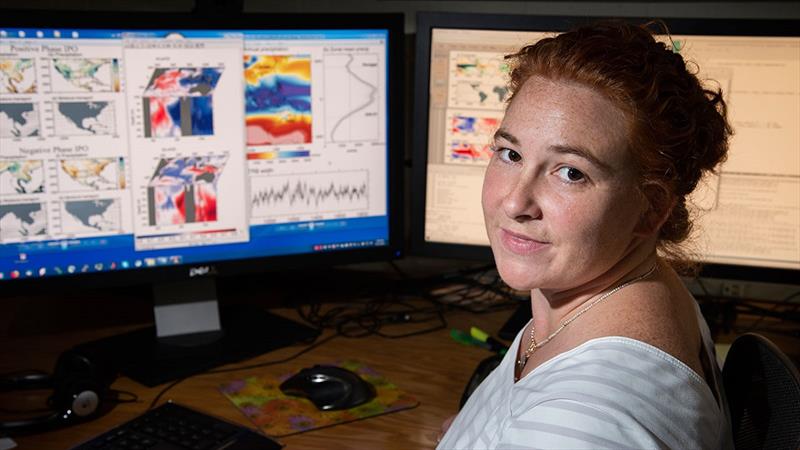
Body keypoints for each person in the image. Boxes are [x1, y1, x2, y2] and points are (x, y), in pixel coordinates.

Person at [437, 21, 733, 449]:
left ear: (650, 208)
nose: (516, 203)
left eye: (571, 172)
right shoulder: (642, 284)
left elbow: (590, 423)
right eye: (511, 153)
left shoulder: (590, 419)